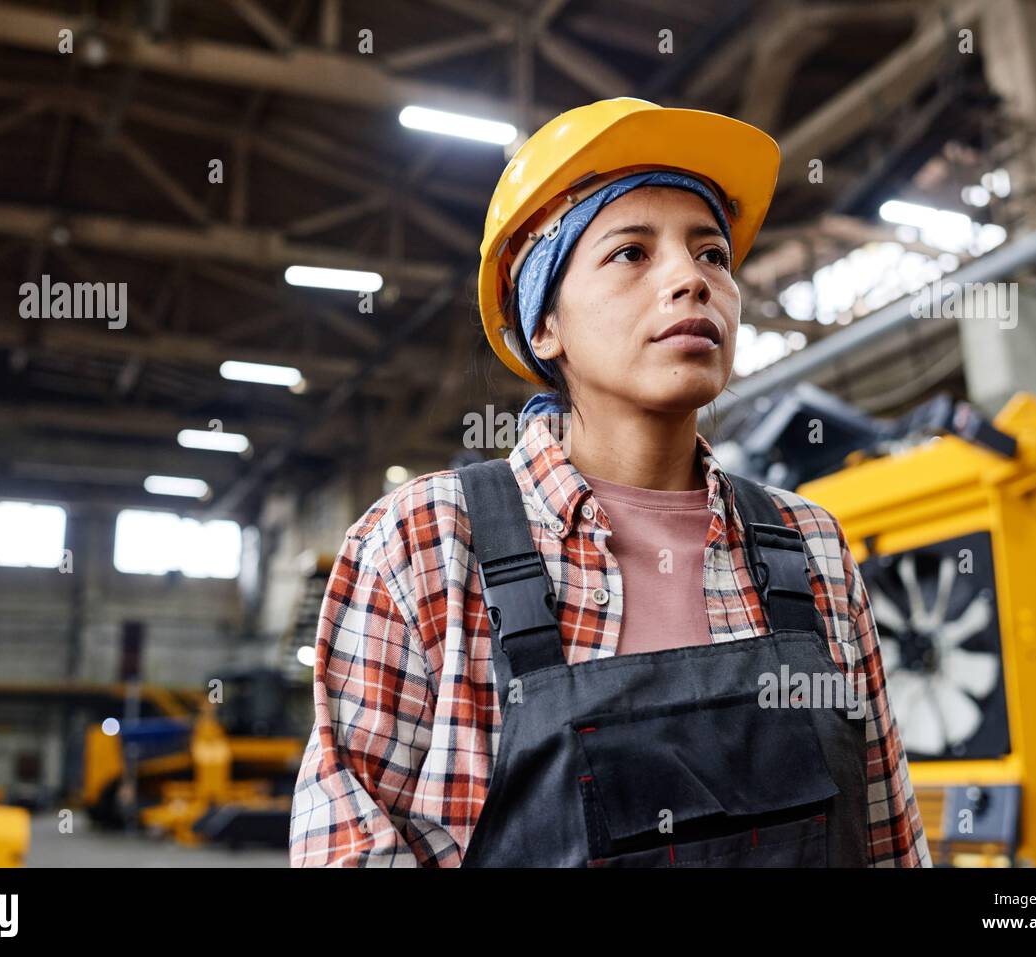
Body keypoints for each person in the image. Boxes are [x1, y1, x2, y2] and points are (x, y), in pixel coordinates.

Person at [290, 96, 931, 868]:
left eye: (712, 255)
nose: (690, 281)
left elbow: (888, 835)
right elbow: (350, 849)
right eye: (631, 252)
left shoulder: (812, 548)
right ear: (545, 326)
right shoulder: (423, 544)